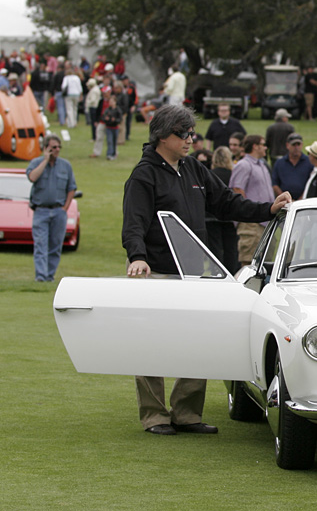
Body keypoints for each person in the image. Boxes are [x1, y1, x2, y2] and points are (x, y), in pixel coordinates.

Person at [122, 105, 291, 436]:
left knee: (197, 341)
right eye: (183, 134)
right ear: (162, 136)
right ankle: (155, 415)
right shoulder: (144, 175)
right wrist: (137, 256)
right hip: (155, 271)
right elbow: (134, 222)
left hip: (193, 274)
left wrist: (266, 209)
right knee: (151, 344)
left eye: (192, 133)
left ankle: (186, 413)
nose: (191, 139)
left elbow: (227, 203)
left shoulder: (194, 170)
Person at [26, 134, 77, 282]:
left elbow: (71, 188)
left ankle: (50, 276)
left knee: (55, 246)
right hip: (41, 211)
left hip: (58, 211)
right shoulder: (36, 163)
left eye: (58, 147)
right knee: (41, 245)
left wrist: (65, 208)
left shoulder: (66, 166)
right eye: (53, 147)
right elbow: (32, 177)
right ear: (46, 148)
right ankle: (41, 277)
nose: (57, 150)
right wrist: (45, 160)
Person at [229, 134, 276, 263]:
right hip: (251, 224)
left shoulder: (262, 166)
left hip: (265, 223)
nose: (266, 147)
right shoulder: (244, 165)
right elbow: (237, 190)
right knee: (249, 263)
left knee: (266, 263)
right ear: (255, 146)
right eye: (263, 144)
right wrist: (248, 213)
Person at [206, 146, 239, 272]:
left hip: (210, 216)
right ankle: (231, 273)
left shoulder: (209, 175)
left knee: (215, 249)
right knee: (231, 249)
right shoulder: (233, 175)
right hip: (229, 216)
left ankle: (216, 273)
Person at [272, 132, 313, 198]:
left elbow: (312, 184)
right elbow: (274, 184)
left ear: (302, 145)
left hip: (304, 201)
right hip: (284, 201)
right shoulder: (279, 163)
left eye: (298, 144)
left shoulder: (309, 162)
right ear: (287, 145)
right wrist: (285, 198)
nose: (296, 147)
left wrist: (301, 199)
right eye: (293, 145)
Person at [100, 88, 121, 160]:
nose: (111, 103)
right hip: (109, 127)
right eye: (110, 101)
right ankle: (109, 154)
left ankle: (114, 154)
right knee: (109, 141)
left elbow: (120, 119)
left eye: (112, 101)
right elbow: (103, 117)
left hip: (115, 128)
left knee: (114, 141)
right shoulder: (107, 110)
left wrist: (115, 120)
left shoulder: (117, 110)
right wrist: (106, 119)